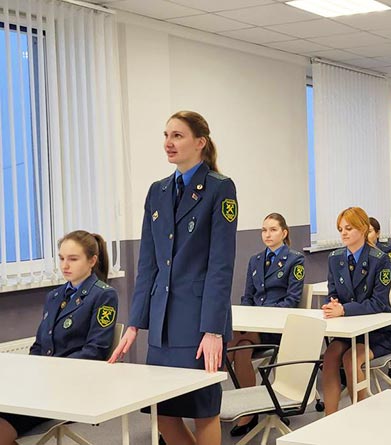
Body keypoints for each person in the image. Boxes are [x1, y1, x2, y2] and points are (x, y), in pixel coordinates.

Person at [109, 111, 237, 445]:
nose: (168, 142)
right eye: (166, 135)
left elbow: (221, 266)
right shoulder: (158, 191)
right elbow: (148, 265)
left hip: (198, 323)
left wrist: (213, 329)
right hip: (162, 323)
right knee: (163, 413)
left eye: (178, 136)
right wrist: (134, 324)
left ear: (200, 142)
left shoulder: (219, 188)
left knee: (202, 411)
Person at [0, 231, 118, 445]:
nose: (65, 265)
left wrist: (52, 373)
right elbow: (39, 345)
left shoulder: (103, 295)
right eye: (61, 258)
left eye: (73, 259)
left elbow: (96, 351)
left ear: (92, 261)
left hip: (71, 385)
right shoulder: (54, 296)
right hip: (44, 385)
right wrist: (30, 374)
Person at [227, 213, 304, 437]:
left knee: (233, 343)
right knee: (238, 349)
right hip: (252, 329)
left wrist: (260, 317)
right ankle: (249, 408)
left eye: (273, 230)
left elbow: (292, 300)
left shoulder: (295, 260)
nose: (267, 234)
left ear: (284, 232)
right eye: (264, 230)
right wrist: (248, 316)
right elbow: (247, 297)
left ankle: (244, 411)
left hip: (276, 328)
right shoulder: (255, 260)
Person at [321, 207, 391, 415]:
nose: (343, 233)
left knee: (351, 359)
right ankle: (329, 417)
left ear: (363, 229)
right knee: (330, 356)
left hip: (378, 332)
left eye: (349, 228)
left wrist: (343, 309)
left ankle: (359, 416)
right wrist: (331, 304)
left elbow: (379, 303)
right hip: (348, 330)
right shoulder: (334, 258)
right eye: (340, 229)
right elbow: (332, 293)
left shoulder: (379, 259)